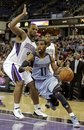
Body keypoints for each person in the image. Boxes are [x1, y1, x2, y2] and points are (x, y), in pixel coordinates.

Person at [19, 38, 80, 128]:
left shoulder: (49, 57)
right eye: (38, 44)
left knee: (59, 94)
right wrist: (25, 68)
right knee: (56, 103)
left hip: (49, 79)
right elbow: (20, 69)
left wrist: (62, 70)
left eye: (41, 44)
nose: (39, 46)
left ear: (46, 46)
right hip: (39, 83)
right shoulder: (32, 56)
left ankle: (73, 117)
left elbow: (55, 70)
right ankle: (52, 102)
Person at [3, 4, 47, 119]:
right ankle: (16, 109)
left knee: (33, 85)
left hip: (21, 66)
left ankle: (37, 110)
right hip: (11, 63)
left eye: (37, 29)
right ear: (29, 29)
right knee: (20, 82)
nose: (35, 30)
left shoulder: (34, 45)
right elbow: (10, 25)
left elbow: (29, 60)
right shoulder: (22, 35)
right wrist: (22, 15)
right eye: (33, 28)